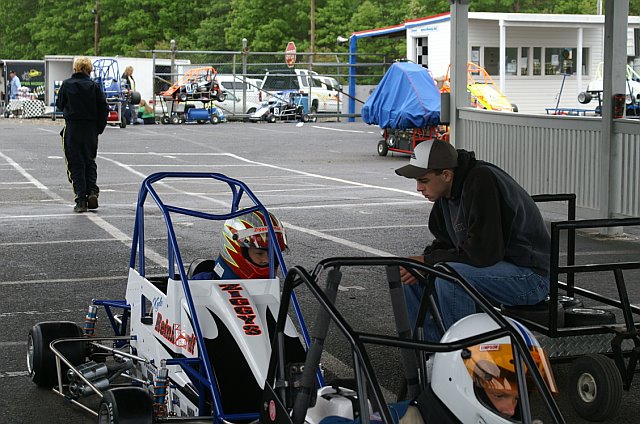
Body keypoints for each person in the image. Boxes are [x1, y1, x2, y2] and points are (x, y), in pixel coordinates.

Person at [395, 139, 551, 342]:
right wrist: (422, 262)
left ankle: (466, 355)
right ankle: (432, 355)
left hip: (530, 277)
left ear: (446, 175)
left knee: (448, 275)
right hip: (498, 270)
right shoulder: (447, 193)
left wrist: (428, 262)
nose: (418, 188)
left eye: (423, 180)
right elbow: (446, 243)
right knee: (411, 272)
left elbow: (484, 252)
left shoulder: (481, 180)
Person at [56, 57, 108, 213]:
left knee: (74, 163)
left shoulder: (66, 85)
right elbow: (104, 109)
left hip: (73, 127)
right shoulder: (94, 86)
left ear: (75, 69)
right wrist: (98, 128)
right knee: (89, 161)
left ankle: (80, 199)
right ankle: (92, 190)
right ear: (89, 69)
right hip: (90, 129)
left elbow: (60, 104)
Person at [192, 210, 288, 280]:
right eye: (259, 253)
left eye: (274, 253)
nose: (268, 260)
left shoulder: (280, 287)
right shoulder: (200, 285)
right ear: (234, 249)